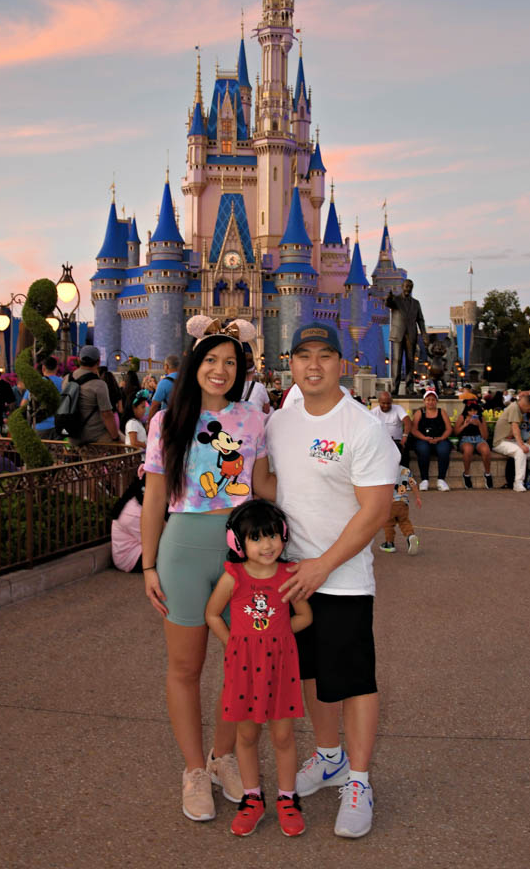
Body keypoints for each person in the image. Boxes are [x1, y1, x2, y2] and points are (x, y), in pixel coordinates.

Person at [264, 321, 400, 839]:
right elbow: (275, 483)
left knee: (355, 680)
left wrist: (322, 564)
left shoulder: (361, 427)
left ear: (342, 363)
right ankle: (329, 758)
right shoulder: (281, 422)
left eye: (324, 355)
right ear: (290, 363)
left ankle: (360, 780)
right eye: (303, 356)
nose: (313, 365)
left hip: (341, 578)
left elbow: (377, 511)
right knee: (313, 674)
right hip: (291, 576)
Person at [140, 316, 271, 822]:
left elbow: (263, 485)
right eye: (212, 359)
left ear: (241, 370)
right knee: (186, 666)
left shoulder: (253, 420)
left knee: (244, 662)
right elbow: (154, 500)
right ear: (196, 363)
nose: (220, 369)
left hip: (240, 550)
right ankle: (194, 769)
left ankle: (223, 759)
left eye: (231, 362)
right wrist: (149, 565)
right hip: (184, 549)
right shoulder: (166, 422)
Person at [205, 500, 312, 837]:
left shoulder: (288, 575)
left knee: (282, 735)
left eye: (272, 536)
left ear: (282, 537)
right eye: (256, 538)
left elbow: (305, 616)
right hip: (244, 668)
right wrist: (233, 641)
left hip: (280, 667)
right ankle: (252, 799)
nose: (267, 545)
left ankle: (286, 798)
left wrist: (277, 633)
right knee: (247, 735)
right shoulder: (232, 576)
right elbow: (212, 614)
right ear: (239, 544)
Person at [62, 346, 120, 447]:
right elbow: (107, 414)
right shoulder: (99, 385)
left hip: (72, 435)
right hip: (94, 435)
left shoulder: (67, 379)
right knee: (124, 444)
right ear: (98, 362)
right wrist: (115, 437)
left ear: (79, 360)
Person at [492, 393, 530, 492]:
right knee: (520, 452)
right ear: (525, 405)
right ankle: (518, 483)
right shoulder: (514, 408)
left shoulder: (518, 409)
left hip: (511, 441)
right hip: (501, 442)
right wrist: (522, 445)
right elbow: (515, 428)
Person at [386, 279, 428, 395]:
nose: (408, 289)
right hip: (398, 334)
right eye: (406, 286)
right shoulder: (396, 300)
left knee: (410, 362)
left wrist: (424, 334)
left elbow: (420, 319)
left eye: (410, 287)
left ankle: (409, 388)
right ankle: (395, 387)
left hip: (411, 334)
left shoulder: (416, 303)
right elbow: (388, 304)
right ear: (402, 287)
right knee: (397, 361)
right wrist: (389, 297)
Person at [410, 389, 453, 491]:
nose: (430, 402)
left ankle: (441, 480)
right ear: (424, 401)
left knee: (444, 450)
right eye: (428, 399)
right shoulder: (419, 413)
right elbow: (414, 429)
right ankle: (424, 480)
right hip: (423, 439)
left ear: (436, 401)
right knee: (423, 450)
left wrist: (441, 438)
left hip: (440, 439)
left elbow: (449, 428)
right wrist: (425, 438)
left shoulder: (441, 412)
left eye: (433, 400)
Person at [453, 391, 494, 489]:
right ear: (466, 410)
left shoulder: (481, 418)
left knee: (486, 450)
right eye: (470, 411)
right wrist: (464, 425)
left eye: (475, 411)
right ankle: (466, 474)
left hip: (479, 439)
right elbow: (456, 432)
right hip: (466, 440)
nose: (473, 413)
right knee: (468, 450)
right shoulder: (462, 417)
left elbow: (485, 436)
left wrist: (479, 425)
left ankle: (488, 474)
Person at [379, 464, 421, 553]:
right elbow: (413, 484)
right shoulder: (406, 470)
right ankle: (410, 536)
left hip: (389, 504)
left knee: (388, 523)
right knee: (404, 521)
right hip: (403, 503)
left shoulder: (384, 470)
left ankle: (389, 543)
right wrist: (417, 497)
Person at [21, 356, 62, 441]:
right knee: (57, 452)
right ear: (57, 367)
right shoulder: (64, 382)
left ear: (43, 367)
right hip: (59, 426)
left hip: (39, 426)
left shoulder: (35, 384)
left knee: (40, 452)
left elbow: (23, 405)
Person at [370, 390, 411, 461]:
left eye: (388, 403)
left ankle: (403, 471)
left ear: (391, 401)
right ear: (379, 401)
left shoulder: (398, 408)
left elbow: (407, 421)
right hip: (381, 441)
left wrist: (404, 437)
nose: (386, 405)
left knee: (403, 452)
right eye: (383, 403)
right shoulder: (374, 412)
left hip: (397, 441)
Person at [147, 355, 181, 426]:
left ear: (166, 366)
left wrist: (149, 423)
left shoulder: (164, 382)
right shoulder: (187, 379)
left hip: (169, 421)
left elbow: (154, 405)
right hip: (185, 419)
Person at [241, 349, 271, 415]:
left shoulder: (233, 386)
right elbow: (267, 410)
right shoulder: (260, 387)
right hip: (255, 422)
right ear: (254, 370)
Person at [123, 390, 150, 458]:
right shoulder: (132, 423)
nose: (144, 410)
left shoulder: (137, 422)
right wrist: (146, 446)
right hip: (137, 458)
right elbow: (133, 442)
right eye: (142, 407)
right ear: (134, 408)